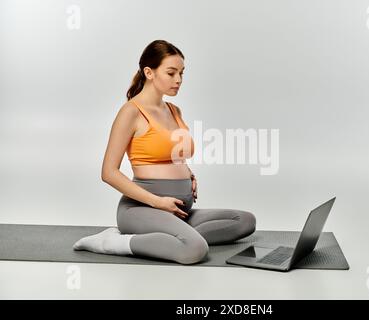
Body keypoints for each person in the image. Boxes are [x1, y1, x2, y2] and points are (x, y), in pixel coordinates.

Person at [73, 40, 256, 264]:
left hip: (180, 209)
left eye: (181, 73)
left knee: (244, 221)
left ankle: (173, 233)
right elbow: (108, 172)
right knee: (194, 249)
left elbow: (171, 153)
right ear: (149, 72)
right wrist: (157, 202)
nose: (178, 80)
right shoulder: (131, 112)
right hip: (141, 208)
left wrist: (187, 172)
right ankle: (112, 242)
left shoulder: (173, 110)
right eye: (171, 73)